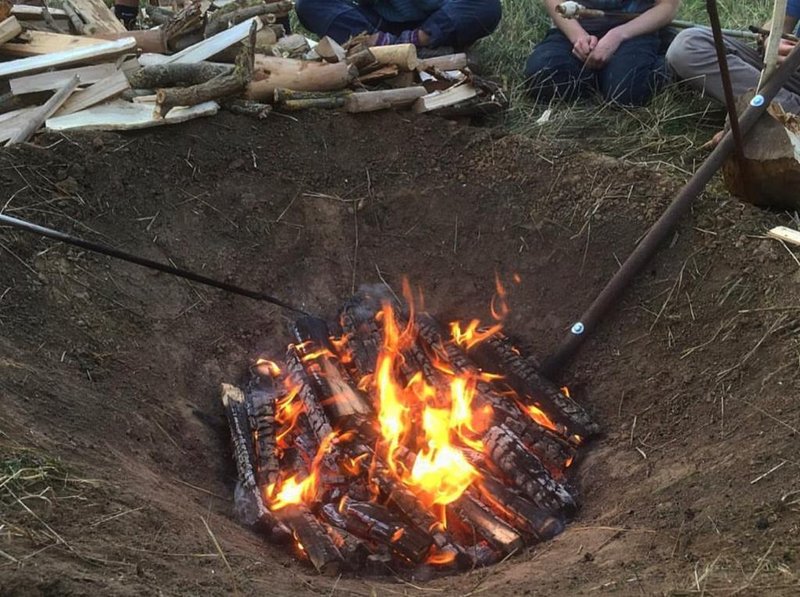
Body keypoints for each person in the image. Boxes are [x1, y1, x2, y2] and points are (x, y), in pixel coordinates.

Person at [525, 0, 681, 106]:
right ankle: (603, 77)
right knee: (542, 75)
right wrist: (578, 37)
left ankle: (672, 58)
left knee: (626, 95)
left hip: (633, 31)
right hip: (576, 28)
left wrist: (618, 35)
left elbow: (668, 6)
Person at [666, 6, 800, 113]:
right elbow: (780, 23)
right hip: (792, 72)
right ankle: (782, 113)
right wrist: (772, 40)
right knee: (689, 45)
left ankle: (769, 114)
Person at [295, 0, 501, 49]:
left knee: (487, 6)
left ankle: (415, 42)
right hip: (377, 22)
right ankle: (374, 42)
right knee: (309, 4)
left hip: (436, 20)